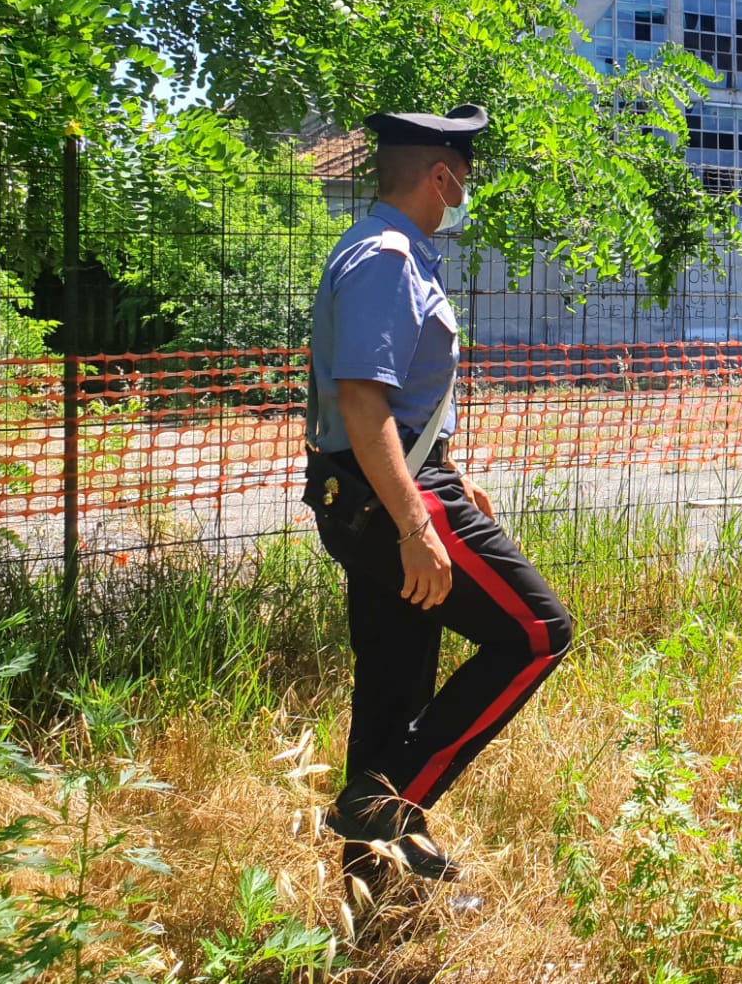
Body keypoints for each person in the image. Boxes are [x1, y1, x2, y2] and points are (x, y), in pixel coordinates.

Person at [304, 104, 573, 900]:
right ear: (440, 176)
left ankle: (372, 889)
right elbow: (361, 402)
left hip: (383, 485)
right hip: (393, 500)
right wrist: (419, 518)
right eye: (465, 173)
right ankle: (386, 810)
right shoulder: (388, 257)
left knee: (395, 677)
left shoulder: (384, 250)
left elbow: (387, 408)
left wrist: (447, 467)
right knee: (536, 633)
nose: (468, 188)